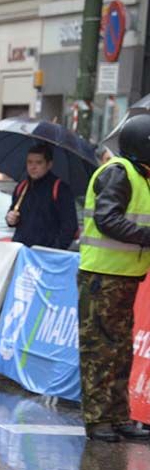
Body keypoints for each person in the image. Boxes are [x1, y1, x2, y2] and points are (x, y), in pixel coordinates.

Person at [77, 114, 150, 442]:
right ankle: (98, 420)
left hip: (123, 277)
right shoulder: (118, 173)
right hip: (102, 277)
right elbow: (108, 219)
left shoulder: (140, 176)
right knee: (99, 350)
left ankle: (118, 417)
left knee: (119, 349)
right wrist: (146, 236)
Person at [5, 143, 78, 249]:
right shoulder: (22, 187)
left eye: (38, 163)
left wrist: (54, 250)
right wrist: (10, 219)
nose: (33, 167)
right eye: (29, 162)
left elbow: (70, 226)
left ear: (49, 165)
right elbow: (13, 215)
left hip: (46, 254)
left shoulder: (59, 189)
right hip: (22, 251)